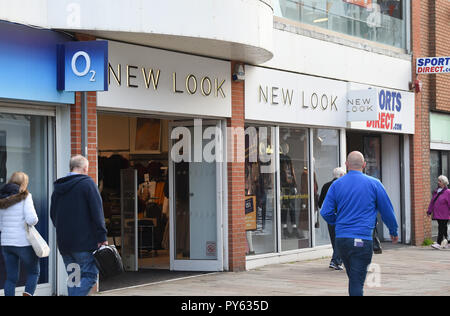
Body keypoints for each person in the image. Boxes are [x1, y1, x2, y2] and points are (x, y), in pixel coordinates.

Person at [320, 151, 398, 296]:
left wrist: (338, 223)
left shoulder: (336, 185)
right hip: (363, 239)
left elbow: (325, 212)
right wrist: (393, 231)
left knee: (354, 278)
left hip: (342, 240)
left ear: (346, 165)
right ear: (364, 165)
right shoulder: (375, 184)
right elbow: (387, 211)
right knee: (356, 281)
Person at [50, 155, 108, 296]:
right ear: (85, 168)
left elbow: (53, 215)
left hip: (65, 244)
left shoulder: (58, 187)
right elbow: (97, 213)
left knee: (74, 279)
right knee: (90, 275)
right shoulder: (87, 183)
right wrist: (102, 237)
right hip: (84, 243)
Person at [0, 172, 40, 296]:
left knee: (11, 278)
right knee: (34, 272)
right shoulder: (25, 196)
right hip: (22, 242)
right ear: (24, 183)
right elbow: (31, 219)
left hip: (6, 242)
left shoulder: (1, 198)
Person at [318, 167, 345, 271]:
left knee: (334, 239)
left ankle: (337, 260)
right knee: (340, 239)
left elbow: (320, 203)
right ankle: (336, 261)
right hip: (340, 216)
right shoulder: (342, 185)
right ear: (341, 175)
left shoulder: (325, 186)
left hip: (330, 216)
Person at [427, 175, 450, 250]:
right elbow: (432, 202)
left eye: (440, 181)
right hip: (437, 213)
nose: (438, 182)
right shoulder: (436, 191)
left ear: (444, 183)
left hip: (445, 214)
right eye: (438, 181)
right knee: (444, 228)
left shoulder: (447, 192)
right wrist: (429, 211)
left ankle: (438, 243)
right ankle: (447, 242)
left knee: (441, 228)